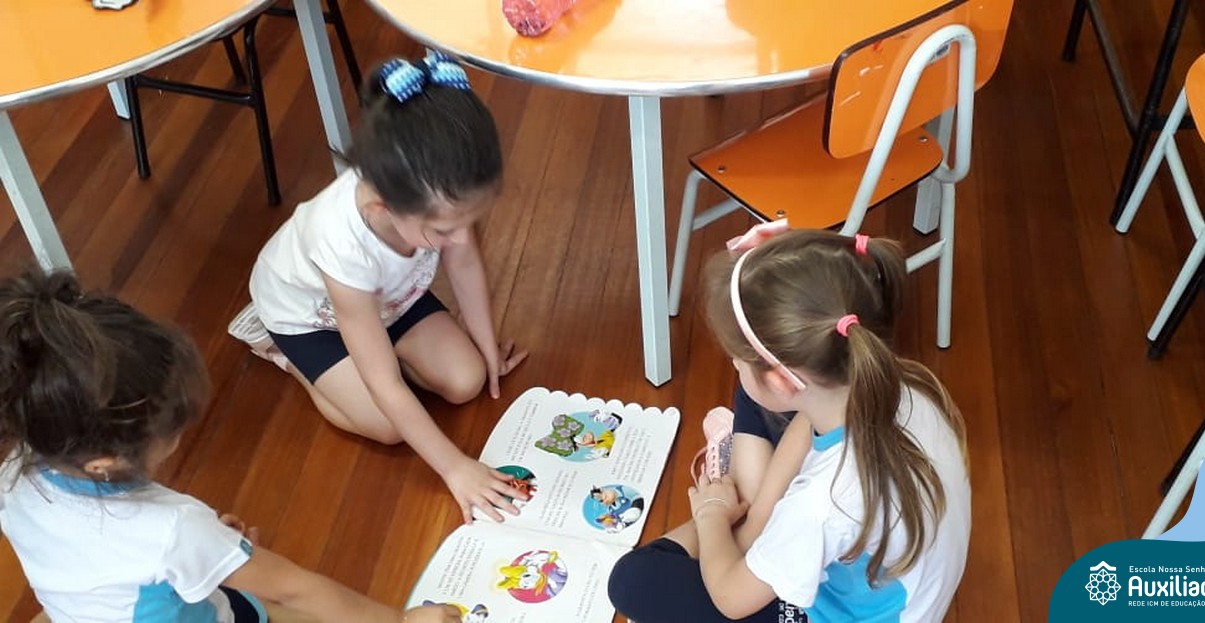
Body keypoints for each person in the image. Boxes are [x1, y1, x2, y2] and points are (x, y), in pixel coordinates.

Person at [0, 269, 462, 623]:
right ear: (104, 462)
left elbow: (98, 555)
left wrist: (200, 551)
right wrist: (403, 619)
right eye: (172, 431)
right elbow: (295, 589)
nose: (179, 436)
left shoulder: (15, 467)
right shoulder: (175, 529)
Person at [608, 226, 971, 622]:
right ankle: (750, 526)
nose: (734, 365)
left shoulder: (819, 505)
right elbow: (805, 423)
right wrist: (758, 523)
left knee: (633, 579)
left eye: (736, 361)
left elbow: (731, 598)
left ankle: (734, 512)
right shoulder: (898, 381)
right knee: (753, 394)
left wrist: (711, 516)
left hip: (830, 609)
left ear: (785, 380)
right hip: (876, 565)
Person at [228, 52, 527, 522]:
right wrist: (454, 467)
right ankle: (285, 355)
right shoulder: (341, 244)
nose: (459, 238)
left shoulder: (434, 195)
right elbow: (383, 381)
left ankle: (384, 357)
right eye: (443, 230)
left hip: (391, 299)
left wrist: (486, 345)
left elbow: (465, 261)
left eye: (467, 223)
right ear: (382, 210)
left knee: (467, 380)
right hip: (312, 319)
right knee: (388, 426)